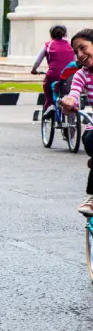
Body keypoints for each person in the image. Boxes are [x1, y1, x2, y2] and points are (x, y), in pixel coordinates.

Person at [59, 28, 93, 215]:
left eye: (83, 48)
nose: (80, 55)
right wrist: (69, 102)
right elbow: (73, 94)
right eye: (76, 51)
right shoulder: (82, 75)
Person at [32, 25, 75, 115]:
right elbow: (75, 60)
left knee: (47, 87)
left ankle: (50, 104)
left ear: (51, 34)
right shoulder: (70, 45)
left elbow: (37, 61)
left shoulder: (48, 45)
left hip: (54, 75)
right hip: (69, 76)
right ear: (65, 34)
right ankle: (72, 124)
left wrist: (34, 70)